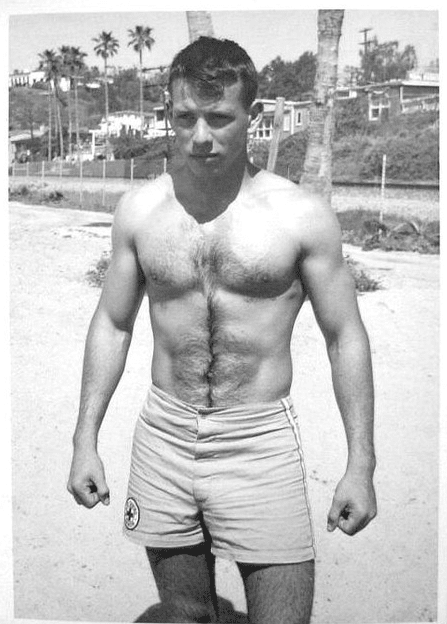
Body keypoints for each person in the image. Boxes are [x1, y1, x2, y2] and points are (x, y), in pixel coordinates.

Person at [67, 36, 377, 624]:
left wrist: (360, 465)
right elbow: (112, 323)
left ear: (252, 118)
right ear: (169, 114)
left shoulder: (301, 215)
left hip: (257, 440)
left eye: (219, 118)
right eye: (185, 118)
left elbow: (346, 338)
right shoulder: (140, 210)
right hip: (164, 432)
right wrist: (85, 438)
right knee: (184, 614)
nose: (201, 137)